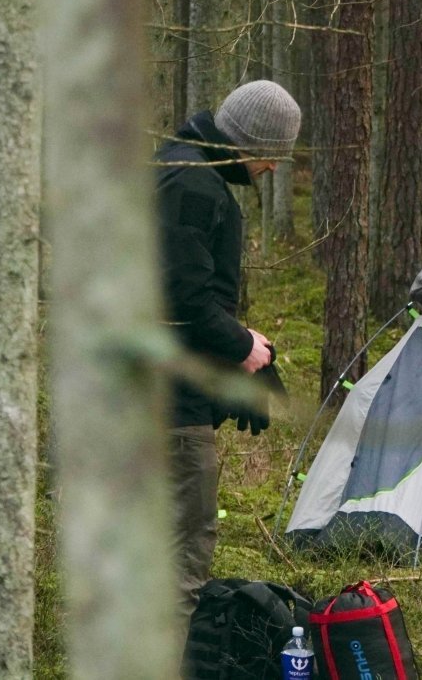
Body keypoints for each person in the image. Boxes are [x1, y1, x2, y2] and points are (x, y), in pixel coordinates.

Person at [155, 79, 301, 618]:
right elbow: (182, 299)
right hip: (171, 403)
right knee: (183, 554)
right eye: (273, 158)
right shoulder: (195, 186)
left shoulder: (179, 165)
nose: (273, 170)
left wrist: (241, 351)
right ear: (252, 144)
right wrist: (241, 346)